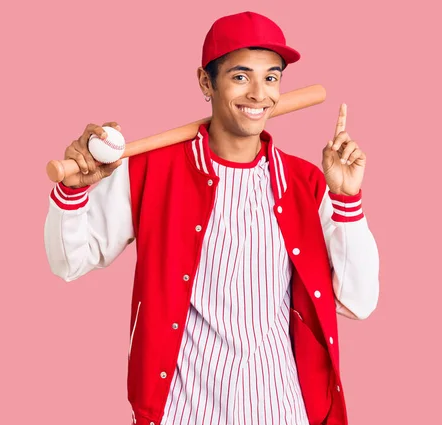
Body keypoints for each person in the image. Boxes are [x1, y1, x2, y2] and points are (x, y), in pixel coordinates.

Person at [44, 11, 379, 425]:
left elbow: (358, 301)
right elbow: (69, 260)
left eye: (271, 78)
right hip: (183, 413)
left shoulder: (305, 182)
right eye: (241, 77)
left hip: (282, 409)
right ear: (206, 82)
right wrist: (74, 190)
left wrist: (346, 199)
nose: (259, 94)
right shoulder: (151, 170)